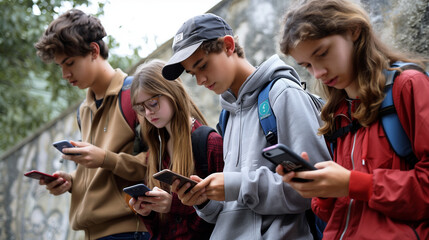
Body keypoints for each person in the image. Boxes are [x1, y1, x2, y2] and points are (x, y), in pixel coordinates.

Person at [161, 13, 331, 239]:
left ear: (228, 46)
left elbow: (316, 188)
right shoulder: (227, 117)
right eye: (193, 74)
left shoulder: (283, 94)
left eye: (202, 65)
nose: (200, 80)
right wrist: (204, 202)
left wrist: (236, 185)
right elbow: (237, 209)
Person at [278, 0, 429, 239]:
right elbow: (344, 215)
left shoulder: (408, 86)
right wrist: (324, 191)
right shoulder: (335, 114)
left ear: (354, 30)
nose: (318, 73)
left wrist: (353, 184)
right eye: (306, 65)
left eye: (322, 53)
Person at [34, 9, 149, 240]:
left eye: (70, 63)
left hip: (130, 231)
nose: (65, 74)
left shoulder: (137, 95)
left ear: (94, 51)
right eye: (60, 66)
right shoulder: (84, 110)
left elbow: (158, 165)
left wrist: (105, 158)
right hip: (92, 234)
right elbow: (99, 172)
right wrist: (71, 181)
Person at [128, 60, 224, 240]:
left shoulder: (210, 143)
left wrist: (173, 205)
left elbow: (225, 213)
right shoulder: (156, 150)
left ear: (172, 92)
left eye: (153, 103)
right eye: (141, 108)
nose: (148, 113)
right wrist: (147, 211)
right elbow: (160, 230)